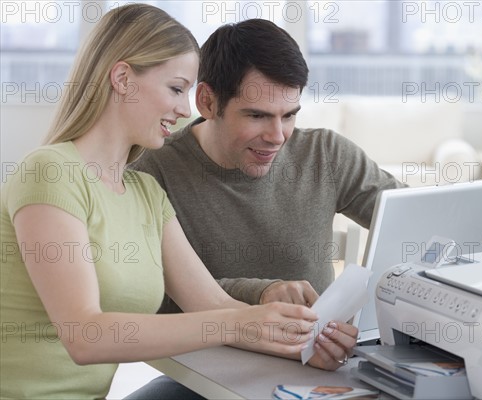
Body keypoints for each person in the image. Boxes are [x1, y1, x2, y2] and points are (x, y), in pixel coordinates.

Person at [0, 5, 349, 400]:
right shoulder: (50, 172)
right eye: (176, 88)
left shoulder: (145, 194)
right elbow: (85, 334)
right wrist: (241, 324)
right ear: (123, 79)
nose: (186, 110)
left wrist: (305, 341)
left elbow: (214, 304)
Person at [131, 16, 405, 353]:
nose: (277, 137)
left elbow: (412, 220)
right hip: (203, 373)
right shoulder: (153, 173)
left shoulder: (326, 156)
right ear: (207, 101)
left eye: (289, 115)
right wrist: (259, 292)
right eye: (257, 115)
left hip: (313, 366)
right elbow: (154, 303)